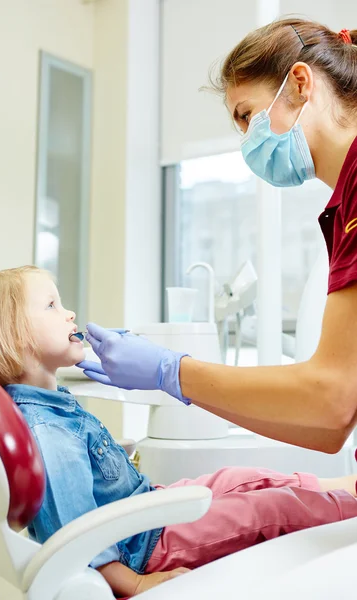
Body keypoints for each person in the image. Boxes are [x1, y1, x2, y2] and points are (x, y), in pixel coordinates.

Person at [0, 266, 357, 598]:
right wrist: (134, 583)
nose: (69, 314)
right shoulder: (46, 429)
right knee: (271, 509)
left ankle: (338, 487)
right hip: (144, 547)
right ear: (11, 337)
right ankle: (346, 510)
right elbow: (73, 535)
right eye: (51, 306)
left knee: (238, 478)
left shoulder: (52, 404)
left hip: (146, 512)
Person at [78, 18, 357, 455]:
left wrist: (171, 370)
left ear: (300, 83)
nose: (248, 141)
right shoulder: (341, 206)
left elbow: (331, 400)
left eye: (247, 116)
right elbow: (327, 430)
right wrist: (177, 383)